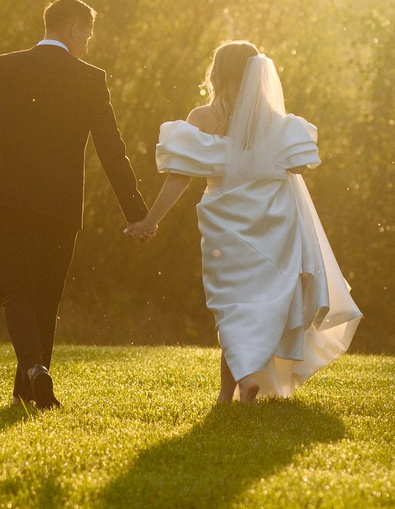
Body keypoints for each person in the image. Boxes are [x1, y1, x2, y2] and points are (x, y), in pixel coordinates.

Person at [127, 42, 360, 401]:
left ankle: (236, 386)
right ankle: (238, 384)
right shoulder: (277, 122)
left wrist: (151, 220)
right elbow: (298, 166)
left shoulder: (203, 118)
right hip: (272, 225)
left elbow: (180, 176)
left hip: (227, 224)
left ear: (217, 73)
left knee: (231, 305)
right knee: (259, 304)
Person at [0, 0, 149, 409]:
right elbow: (111, 151)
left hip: (8, 201)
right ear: (72, 29)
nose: (89, 41)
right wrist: (137, 211)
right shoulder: (90, 79)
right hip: (62, 206)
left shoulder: (2, 68)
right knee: (46, 296)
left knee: (14, 291)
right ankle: (31, 389)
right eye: (88, 32)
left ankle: (33, 373)